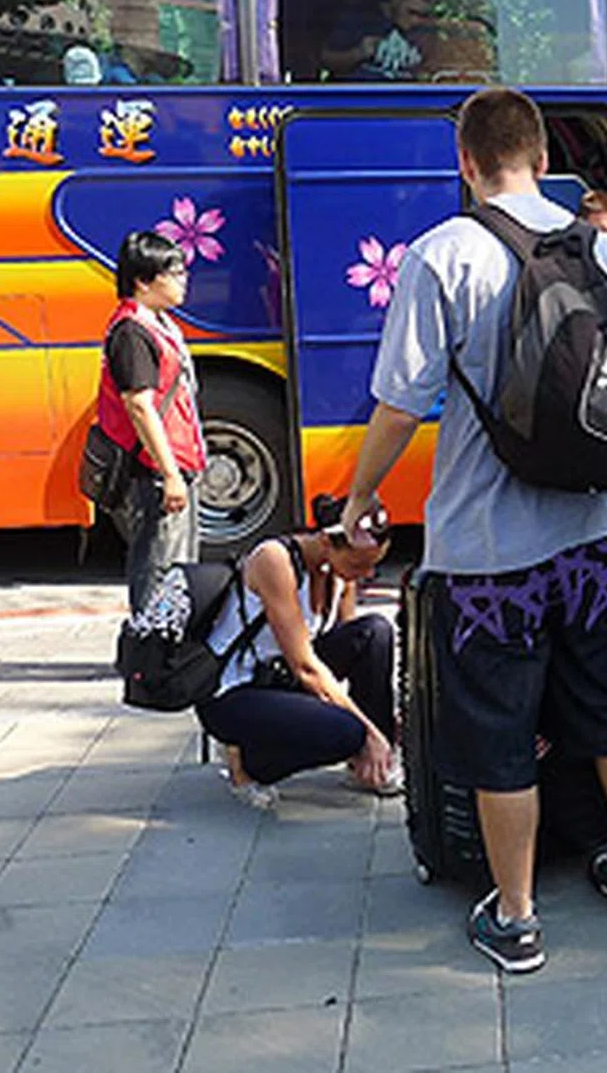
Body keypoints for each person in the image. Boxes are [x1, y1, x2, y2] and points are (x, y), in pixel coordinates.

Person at [341, 86, 607, 975]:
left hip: (488, 554)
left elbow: (401, 402)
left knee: (496, 725)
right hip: (593, 534)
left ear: (466, 161)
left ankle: (517, 916)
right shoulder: (603, 252)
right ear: (542, 157)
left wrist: (357, 496)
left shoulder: (442, 254)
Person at [197, 496, 401, 808]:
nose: (365, 575)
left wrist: (382, 718)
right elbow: (305, 667)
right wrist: (367, 730)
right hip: (235, 691)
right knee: (346, 732)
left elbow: (349, 645)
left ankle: (372, 764)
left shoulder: (339, 574)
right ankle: (247, 763)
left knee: (374, 631)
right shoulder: (275, 560)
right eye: (359, 565)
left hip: (282, 677)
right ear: (326, 542)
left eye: (374, 566)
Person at [97, 231, 205, 617]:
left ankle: (168, 646)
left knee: (179, 566)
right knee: (160, 567)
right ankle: (150, 654)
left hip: (174, 462)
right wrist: (170, 473)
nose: (183, 279)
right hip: (154, 470)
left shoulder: (156, 324)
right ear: (143, 282)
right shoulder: (132, 333)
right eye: (173, 271)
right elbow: (139, 405)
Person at [321, 0, 436, 81]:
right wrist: (358, 53)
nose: (415, 21)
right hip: (360, 98)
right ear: (396, 1)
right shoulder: (360, 19)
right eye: (411, 12)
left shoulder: (426, 32)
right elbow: (326, 60)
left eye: (423, 15)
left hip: (407, 101)